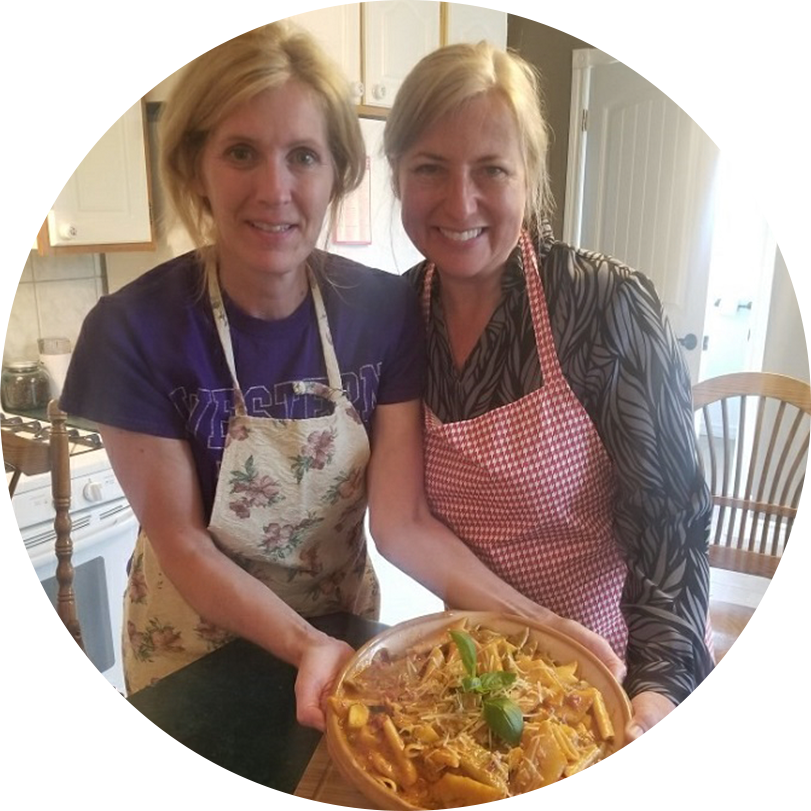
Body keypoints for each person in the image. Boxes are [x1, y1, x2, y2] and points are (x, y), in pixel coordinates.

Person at [59, 22, 624, 731]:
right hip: (191, 647)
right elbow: (181, 540)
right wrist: (304, 645)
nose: (275, 189)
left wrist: (541, 624)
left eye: (303, 155)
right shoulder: (132, 328)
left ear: (339, 173)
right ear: (193, 165)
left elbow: (402, 522)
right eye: (240, 152)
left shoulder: (383, 311)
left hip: (342, 627)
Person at [382, 41, 714, 740]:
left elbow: (670, 523)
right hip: (475, 669)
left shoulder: (601, 304)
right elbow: (402, 517)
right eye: (429, 169)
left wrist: (656, 687)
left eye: (491, 170)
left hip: (606, 671)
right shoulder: (396, 318)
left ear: (528, 176)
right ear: (396, 176)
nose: (459, 201)